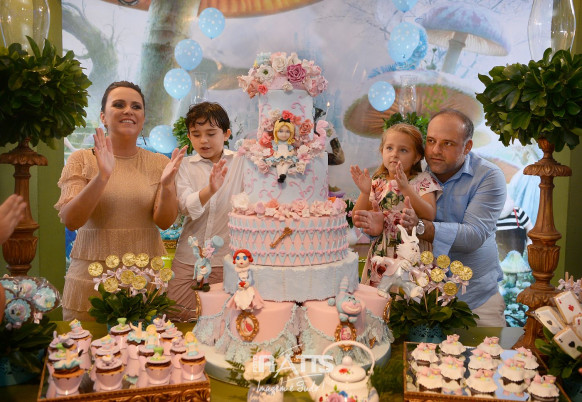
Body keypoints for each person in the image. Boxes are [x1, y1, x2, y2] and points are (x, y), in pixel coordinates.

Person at [354, 109, 507, 327]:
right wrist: (376, 226)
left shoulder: (489, 176)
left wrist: (419, 227)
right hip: (418, 301)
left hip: (473, 300)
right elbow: (386, 227)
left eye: (447, 144)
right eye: (431, 141)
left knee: (482, 349)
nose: (435, 150)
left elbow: (474, 235)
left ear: (468, 147)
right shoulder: (412, 173)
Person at [55, 81, 186, 321]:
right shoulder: (81, 159)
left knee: (146, 344)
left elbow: (165, 222)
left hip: (144, 278)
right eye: (119, 104)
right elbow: (71, 220)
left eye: (136, 106)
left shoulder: (159, 163)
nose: (128, 111)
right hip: (91, 280)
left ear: (143, 118)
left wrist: (168, 186)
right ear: (103, 116)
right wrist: (102, 177)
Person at [169, 102, 244, 318]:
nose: (203, 140)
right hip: (188, 259)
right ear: (189, 136)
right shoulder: (184, 165)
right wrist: (210, 190)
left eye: (211, 133)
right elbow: (185, 207)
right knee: (177, 314)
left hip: (227, 260)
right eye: (196, 134)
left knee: (223, 320)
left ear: (226, 134)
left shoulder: (241, 163)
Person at [350, 123, 441, 287]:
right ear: (382, 151)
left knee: (409, 295)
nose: (394, 154)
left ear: (417, 157)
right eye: (389, 148)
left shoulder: (423, 180)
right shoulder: (377, 182)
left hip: (411, 253)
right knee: (380, 296)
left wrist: (406, 188)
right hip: (382, 253)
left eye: (403, 150)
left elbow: (429, 214)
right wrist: (365, 192)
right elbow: (357, 219)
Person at [266, 119, 298, 183]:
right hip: (279, 156)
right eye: (281, 131)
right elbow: (275, 150)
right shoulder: (277, 143)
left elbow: (291, 150)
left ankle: (283, 174)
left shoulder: (288, 143)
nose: (284, 134)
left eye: (287, 132)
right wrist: (275, 154)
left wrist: (291, 153)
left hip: (287, 156)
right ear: (276, 132)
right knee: (278, 165)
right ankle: (279, 176)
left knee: (286, 164)